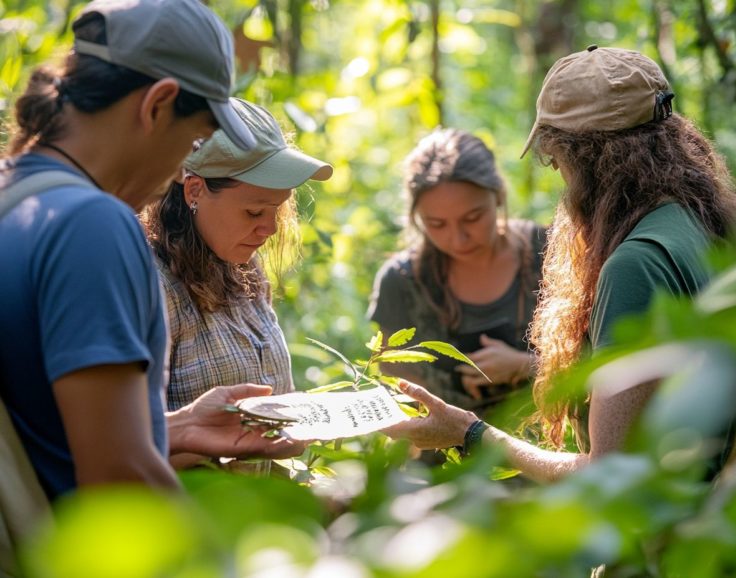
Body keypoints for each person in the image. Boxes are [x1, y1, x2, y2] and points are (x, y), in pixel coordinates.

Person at [386, 46, 736, 482]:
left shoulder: (636, 263)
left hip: (673, 535)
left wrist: (470, 433)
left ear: (583, 161)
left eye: (557, 163)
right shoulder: (710, 218)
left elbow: (611, 478)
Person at [0, 0, 301, 503]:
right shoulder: (91, 224)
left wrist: (177, 426)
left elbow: (57, 430)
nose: (183, 169)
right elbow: (119, 475)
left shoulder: (18, 199)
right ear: (157, 104)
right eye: (194, 138)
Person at [142, 98, 333, 471]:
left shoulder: (243, 267)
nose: (271, 228)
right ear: (194, 190)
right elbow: (119, 445)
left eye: (276, 210)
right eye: (254, 212)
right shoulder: (150, 284)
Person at [368, 128, 546, 418]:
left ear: (499, 196)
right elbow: (396, 390)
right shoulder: (401, 283)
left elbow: (606, 361)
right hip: (445, 457)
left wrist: (525, 366)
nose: (458, 238)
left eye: (473, 218)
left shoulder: (549, 254)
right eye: (437, 224)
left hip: (553, 451)